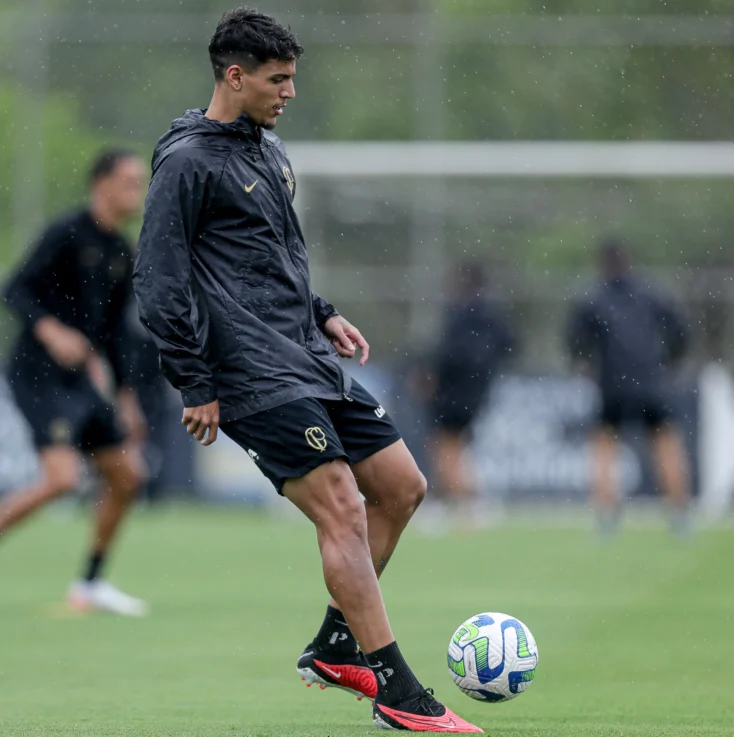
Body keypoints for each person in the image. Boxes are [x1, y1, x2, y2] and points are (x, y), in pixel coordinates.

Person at [133, 9, 481, 733]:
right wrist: (194, 380)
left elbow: (270, 255)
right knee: (343, 508)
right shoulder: (187, 161)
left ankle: (334, 645)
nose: (289, 92)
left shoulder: (269, 149)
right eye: (278, 80)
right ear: (235, 76)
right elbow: (159, 278)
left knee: (403, 487)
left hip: (306, 355)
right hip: (249, 372)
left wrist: (321, 312)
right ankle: (397, 691)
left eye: (292, 78)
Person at [0, 149, 149, 616]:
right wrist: (52, 331)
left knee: (128, 475)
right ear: (101, 184)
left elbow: (116, 334)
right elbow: (15, 288)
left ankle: (89, 585)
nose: (137, 192)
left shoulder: (121, 250)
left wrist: (126, 396)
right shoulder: (66, 231)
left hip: (80, 380)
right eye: (129, 181)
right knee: (62, 479)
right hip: (38, 375)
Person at [566, 238, 692, 535]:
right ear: (629, 261)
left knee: (604, 446)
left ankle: (607, 517)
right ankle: (680, 514)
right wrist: (669, 362)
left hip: (613, 384)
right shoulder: (651, 293)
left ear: (601, 264)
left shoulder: (594, 298)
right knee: (665, 444)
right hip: (651, 382)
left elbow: (574, 340)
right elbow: (680, 330)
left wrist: (585, 365)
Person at [428, 262, 517, 529]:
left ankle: (464, 503)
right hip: (478, 389)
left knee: (446, 445)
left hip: (455, 388)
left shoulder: (460, 314)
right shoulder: (492, 314)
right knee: (456, 445)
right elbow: (510, 344)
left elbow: (449, 353)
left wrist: (434, 376)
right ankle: (458, 501)